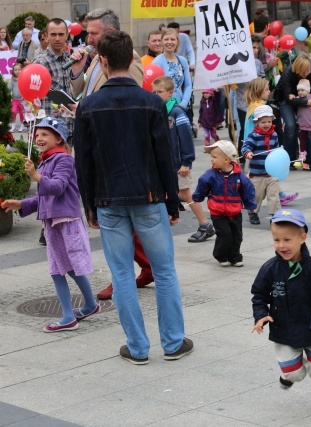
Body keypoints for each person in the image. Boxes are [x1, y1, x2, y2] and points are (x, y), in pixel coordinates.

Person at [74, 30, 193, 364]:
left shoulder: (88, 105)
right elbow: (165, 159)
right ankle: (172, 342)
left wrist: (89, 206)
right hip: (150, 196)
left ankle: (137, 346)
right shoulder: (152, 102)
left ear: (104, 61)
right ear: (133, 59)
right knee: (165, 270)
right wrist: (172, 202)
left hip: (109, 200)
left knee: (122, 274)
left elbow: (83, 162)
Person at [67, 8, 147, 301]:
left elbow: (129, 107)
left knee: (118, 222)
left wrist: (92, 112)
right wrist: (78, 68)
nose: (88, 38)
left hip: (115, 153)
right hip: (95, 144)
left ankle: (122, 277)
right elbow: (81, 90)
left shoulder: (131, 63)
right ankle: (146, 266)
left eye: (94, 33)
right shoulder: (96, 60)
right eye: (88, 32)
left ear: (111, 33)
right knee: (125, 220)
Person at [1, 117, 99, 331]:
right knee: (60, 268)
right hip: (53, 223)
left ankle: (68, 317)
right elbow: (44, 198)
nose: (39, 138)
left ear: (59, 138)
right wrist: (21, 204)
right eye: (37, 135)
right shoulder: (47, 161)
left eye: (45, 134)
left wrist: (35, 175)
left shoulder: (63, 159)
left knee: (64, 267)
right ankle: (89, 305)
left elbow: (58, 187)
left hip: (66, 221)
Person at [251, 208, 311, 415]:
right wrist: (261, 315)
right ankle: (287, 376)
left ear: (302, 238)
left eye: (287, 240)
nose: (281, 245)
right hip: (284, 330)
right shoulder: (270, 268)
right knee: (294, 373)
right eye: (276, 240)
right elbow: (259, 295)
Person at [152, 76, 215, 243]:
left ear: (170, 92)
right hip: (167, 164)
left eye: (159, 92)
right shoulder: (159, 111)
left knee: (186, 194)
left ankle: (204, 224)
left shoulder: (177, 112)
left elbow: (186, 138)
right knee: (174, 194)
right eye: (154, 92)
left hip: (179, 163)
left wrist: (187, 161)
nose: (156, 95)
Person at [192, 140, 256, 266]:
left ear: (226, 159)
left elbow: (247, 190)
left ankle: (235, 256)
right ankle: (220, 255)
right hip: (218, 212)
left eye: (214, 157)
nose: (211, 160)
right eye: (211, 157)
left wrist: (250, 204)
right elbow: (202, 186)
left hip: (235, 211)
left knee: (237, 236)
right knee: (225, 235)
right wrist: (198, 197)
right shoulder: (210, 175)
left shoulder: (239, 176)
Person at [243, 78, 300, 206]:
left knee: (265, 175)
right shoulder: (260, 108)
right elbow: (257, 129)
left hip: (255, 144)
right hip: (258, 145)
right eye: (267, 90)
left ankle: (280, 195)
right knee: (260, 175)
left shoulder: (253, 105)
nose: (269, 92)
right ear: (258, 91)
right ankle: (248, 197)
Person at [273, 55, 311, 166]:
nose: (305, 73)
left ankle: (309, 160)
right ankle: (289, 158)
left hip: (301, 100)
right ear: (297, 67)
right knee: (291, 125)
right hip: (285, 100)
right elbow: (288, 98)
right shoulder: (288, 74)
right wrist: (306, 103)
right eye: (302, 71)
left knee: (306, 126)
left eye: (307, 70)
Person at [242, 105, 283, 225]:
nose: (267, 124)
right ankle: (253, 212)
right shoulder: (253, 136)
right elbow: (246, 146)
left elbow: (276, 149)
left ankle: (275, 216)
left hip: (272, 173)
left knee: (273, 196)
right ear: (257, 122)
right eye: (263, 122)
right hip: (257, 173)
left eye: (269, 121)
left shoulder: (274, 134)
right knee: (257, 196)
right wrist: (248, 152)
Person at [33, 19, 75, 135]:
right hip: (50, 129)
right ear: (46, 36)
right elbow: (33, 98)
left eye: (61, 34)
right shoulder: (40, 63)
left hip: (69, 127)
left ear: (67, 35)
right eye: (53, 34)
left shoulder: (69, 60)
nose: (57, 38)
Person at [152, 28, 192, 110]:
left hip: (181, 105)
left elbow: (188, 84)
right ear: (162, 42)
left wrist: (184, 103)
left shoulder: (183, 61)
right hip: (164, 107)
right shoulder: (157, 62)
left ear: (177, 42)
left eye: (172, 39)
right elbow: (155, 87)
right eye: (166, 39)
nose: (169, 42)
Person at [7, 63, 26, 133]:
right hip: (15, 99)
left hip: (22, 99)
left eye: (19, 69)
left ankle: (22, 125)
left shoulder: (23, 78)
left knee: (22, 112)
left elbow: (26, 87)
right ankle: (13, 125)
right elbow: (9, 88)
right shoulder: (12, 79)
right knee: (13, 112)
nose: (17, 71)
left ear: (22, 70)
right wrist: (9, 97)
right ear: (13, 71)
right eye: (16, 70)